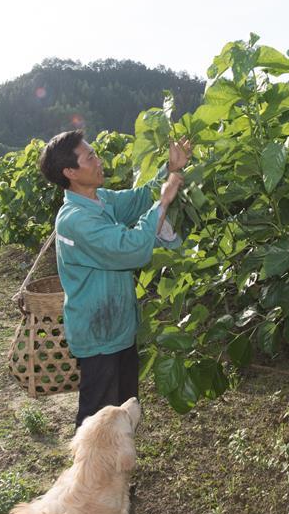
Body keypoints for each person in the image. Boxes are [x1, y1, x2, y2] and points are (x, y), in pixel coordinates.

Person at [38, 129, 190, 429]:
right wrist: (163, 202)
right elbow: (130, 248)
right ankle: (87, 474)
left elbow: (136, 199)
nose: (99, 161)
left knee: (122, 414)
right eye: (90, 157)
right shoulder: (75, 220)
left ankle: (115, 473)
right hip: (98, 337)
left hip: (118, 328)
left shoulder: (99, 200)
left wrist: (170, 170)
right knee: (97, 423)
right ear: (70, 172)